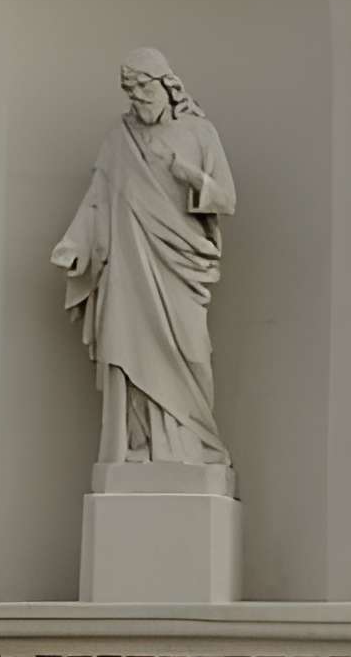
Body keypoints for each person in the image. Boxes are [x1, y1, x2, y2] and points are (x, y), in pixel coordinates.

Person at [52, 49, 235, 468]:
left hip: (181, 265)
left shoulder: (200, 133)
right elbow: (98, 197)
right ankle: (139, 447)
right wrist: (75, 244)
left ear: (168, 85)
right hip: (128, 265)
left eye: (143, 87)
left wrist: (189, 174)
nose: (136, 98)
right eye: (129, 90)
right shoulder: (119, 139)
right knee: (130, 348)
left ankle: (197, 445)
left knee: (191, 351)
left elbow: (226, 199)